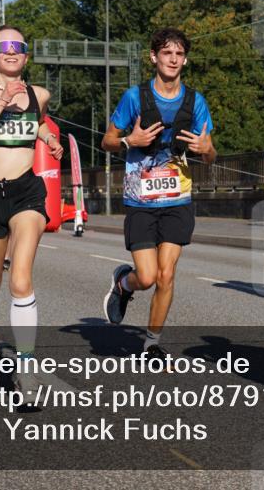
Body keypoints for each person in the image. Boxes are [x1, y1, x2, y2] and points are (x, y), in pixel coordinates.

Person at [100, 28, 215, 362]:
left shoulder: (196, 101)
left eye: (179, 54)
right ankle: (124, 284)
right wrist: (127, 142)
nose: (173, 59)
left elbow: (210, 154)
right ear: (154, 57)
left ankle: (152, 343)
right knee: (147, 277)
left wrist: (206, 149)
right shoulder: (135, 97)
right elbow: (107, 140)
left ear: (185, 60)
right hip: (141, 201)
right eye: (167, 53)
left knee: (166, 276)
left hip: (178, 200)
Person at [0, 25, 62, 396]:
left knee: (21, 280)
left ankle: (26, 370)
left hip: (25, 193)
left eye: (19, 45)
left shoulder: (39, 94)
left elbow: (34, 122)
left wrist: (48, 137)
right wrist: (2, 103)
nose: (12, 49)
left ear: (25, 54)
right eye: (3, 45)